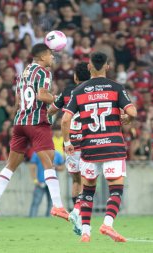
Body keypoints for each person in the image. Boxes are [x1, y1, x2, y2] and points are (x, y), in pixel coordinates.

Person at [0, 43, 69, 221]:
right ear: (41, 57)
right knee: (49, 163)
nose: (53, 58)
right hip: (37, 122)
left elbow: (17, 99)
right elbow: (42, 95)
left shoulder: (23, 72)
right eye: (50, 55)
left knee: (10, 166)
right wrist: (61, 99)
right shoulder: (44, 72)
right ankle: (58, 206)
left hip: (20, 123)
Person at [61, 52, 137, 242]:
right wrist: (128, 118)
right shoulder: (116, 88)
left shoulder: (79, 90)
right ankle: (107, 224)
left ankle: (86, 232)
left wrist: (68, 142)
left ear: (89, 67)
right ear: (107, 67)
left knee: (87, 192)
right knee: (116, 189)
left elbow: (65, 119)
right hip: (113, 146)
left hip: (89, 148)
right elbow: (132, 111)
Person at [48, 62, 90, 235]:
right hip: (88, 141)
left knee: (76, 180)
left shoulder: (67, 92)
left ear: (75, 77)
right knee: (87, 182)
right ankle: (78, 213)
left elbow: (51, 111)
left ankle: (77, 215)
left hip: (70, 142)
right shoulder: (93, 90)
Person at [29, 151, 65, 217]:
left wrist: (55, 167)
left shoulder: (57, 154)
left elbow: (62, 167)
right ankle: (32, 218)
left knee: (51, 204)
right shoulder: (37, 153)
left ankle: (49, 220)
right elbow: (32, 167)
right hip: (40, 182)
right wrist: (35, 180)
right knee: (36, 202)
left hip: (52, 183)